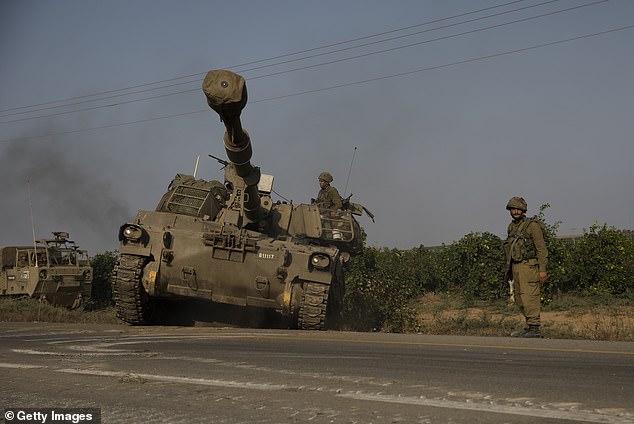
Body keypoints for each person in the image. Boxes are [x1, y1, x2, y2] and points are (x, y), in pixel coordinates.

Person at [503, 196, 548, 338]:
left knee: (530, 297)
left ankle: (534, 327)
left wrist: (542, 270)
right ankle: (529, 326)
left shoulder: (532, 226)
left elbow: (541, 249)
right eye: (513, 209)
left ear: (523, 210)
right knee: (519, 298)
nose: (516, 211)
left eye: (518, 209)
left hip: (529, 266)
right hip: (515, 266)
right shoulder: (511, 226)